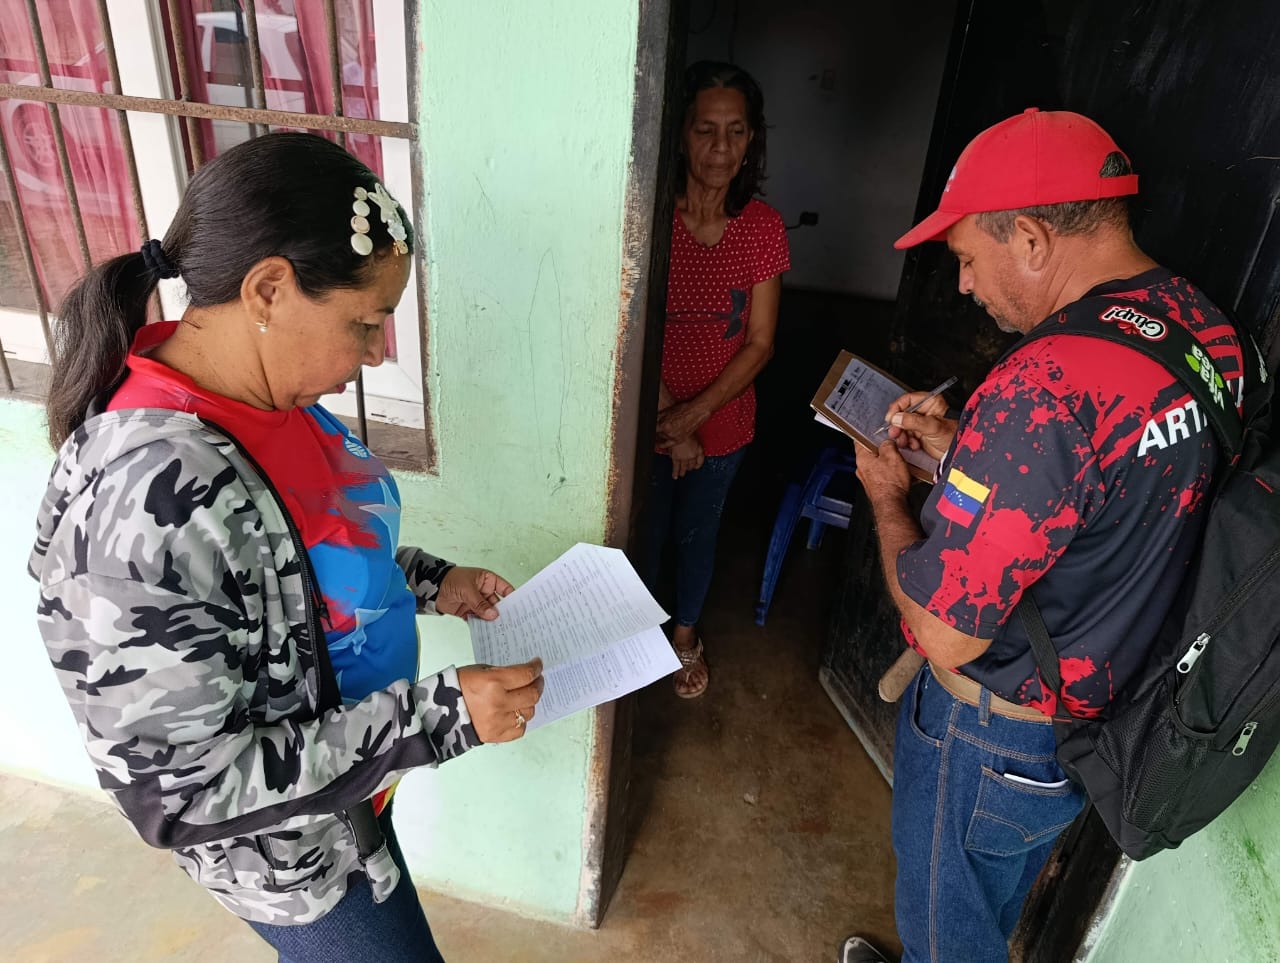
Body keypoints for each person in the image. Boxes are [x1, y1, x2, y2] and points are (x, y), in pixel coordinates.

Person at [29, 132, 544, 963]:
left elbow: (297, 568)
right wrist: (438, 718)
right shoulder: (150, 497)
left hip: (351, 796)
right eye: (364, 322)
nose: (377, 352)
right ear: (269, 288)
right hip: (292, 854)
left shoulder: (271, 399)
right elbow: (181, 792)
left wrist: (431, 580)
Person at [839, 108, 1246, 963]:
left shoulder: (1044, 386)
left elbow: (943, 634)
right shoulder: (1206, 334)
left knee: (947, 932)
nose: (963, 286)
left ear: (1029, 237)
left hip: (987, 733)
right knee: (987, 907)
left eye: (966, 259)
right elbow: (1107, 489)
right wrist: (961, 447)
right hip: (1088, 724)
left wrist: (886, 497)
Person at [641, 60, 791, 698]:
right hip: (648, 416)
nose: (721, 148)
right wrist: (670, 423)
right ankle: (635, 637)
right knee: (644, 535)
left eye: (735, 131)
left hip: (722, 425)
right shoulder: (652, 218)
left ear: (752, 138)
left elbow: (760, 343)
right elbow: (633, 324)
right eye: (705, 130)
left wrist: (693, 419)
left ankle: (684, 636)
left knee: (697, 537)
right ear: (681, 134)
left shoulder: (762, 228)